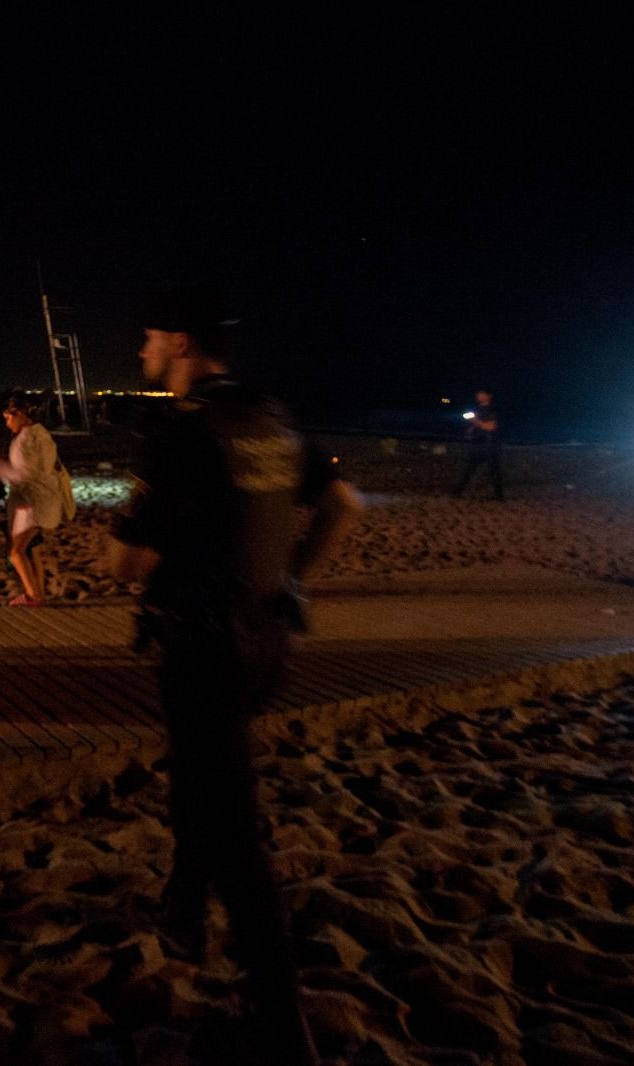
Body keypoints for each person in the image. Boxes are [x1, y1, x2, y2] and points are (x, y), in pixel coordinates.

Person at [105, 288, 363, 1066]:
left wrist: (134, 537)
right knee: (198, 772)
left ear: (182, 344)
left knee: (234, 833)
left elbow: (125, 564)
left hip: (203, 647)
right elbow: (344, 505)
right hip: (266, 644)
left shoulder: (182, 432)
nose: (143, 352)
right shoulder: (272, 416)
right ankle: (184, 905)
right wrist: (291, 581)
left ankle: (285, 1027)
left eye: (150, 338)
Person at [0, 391, 65, 605]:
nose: (7, 424)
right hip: (41, 499)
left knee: (16, 552)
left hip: (32, 502)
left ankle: (34, 596)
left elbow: (24, 476)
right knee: (27, 550)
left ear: (20, 414)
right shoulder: (42, 434)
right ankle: (35, 593)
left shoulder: (25, 440)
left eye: (8, 418)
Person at [451, 388, 504, 500]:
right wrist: (471, 430)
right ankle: (457, 491)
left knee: (493, 471)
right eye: (478, 394)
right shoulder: (478, 409)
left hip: (489, 445)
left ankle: (499, 496)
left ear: (488, 396)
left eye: (481, 394)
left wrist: (475, 421)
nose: (478, 396)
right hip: (479, 443)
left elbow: (490, 427)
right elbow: (478, 425)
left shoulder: (492, 409)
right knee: (469, 469)